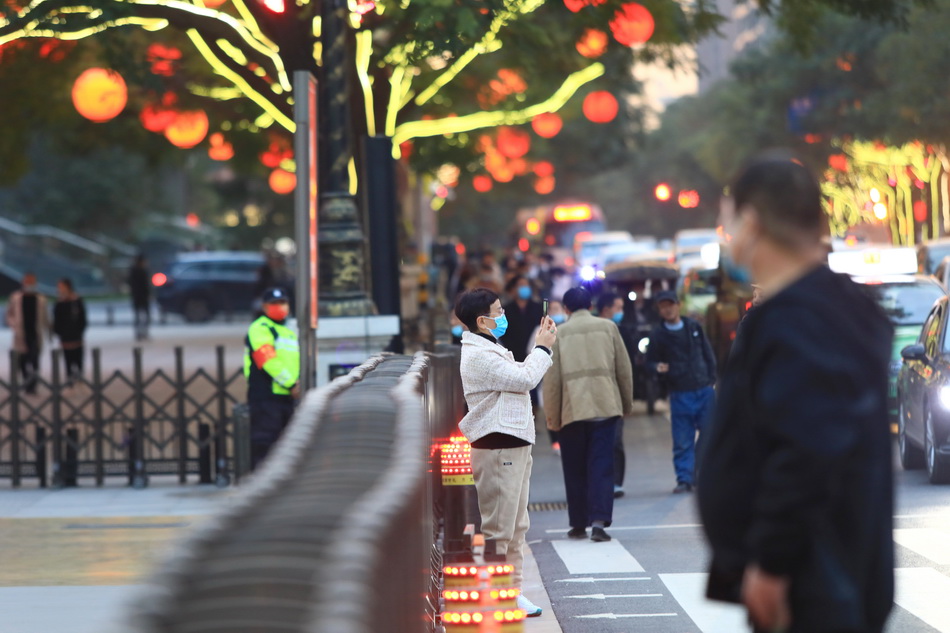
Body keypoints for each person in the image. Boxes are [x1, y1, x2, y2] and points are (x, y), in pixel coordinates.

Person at [698, 154, 894, 633]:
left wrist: (771, 563)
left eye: (726, 220)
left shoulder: (799, 320)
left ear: (750, 221)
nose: (725, 235)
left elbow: (807, 447)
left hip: (813, 581)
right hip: (832, 570)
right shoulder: (834, 306)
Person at [455, 287, 557, 618]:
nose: (503, 317)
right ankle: (501, 597)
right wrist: (542, 346)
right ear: (481, 321)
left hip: (512, 443)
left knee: (517, 527)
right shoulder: (478, 355)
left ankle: (511, 594)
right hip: (497, 445)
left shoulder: (488, 346)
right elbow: (525, 378)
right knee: (500, 529)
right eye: (498, 313)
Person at [544, 287, 633, 542]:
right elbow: (623, 370)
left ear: (567, 309)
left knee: (574, 468)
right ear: (591, 305)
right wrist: (625, 405)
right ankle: (599, 523)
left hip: (572, 410)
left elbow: (552, 381)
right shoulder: (608, 328)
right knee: (602, 466)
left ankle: (578, 523)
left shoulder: (558, 334)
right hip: (605, 408)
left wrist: (552, 418)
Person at [646, 289, 717, 494]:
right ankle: (684, 479)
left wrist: (711, 377)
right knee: (682, 439)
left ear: (678, 305)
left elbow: (707, 353)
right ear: (659, 310)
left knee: (711, 435)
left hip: (704, 390)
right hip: (680, 393)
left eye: (670, 304)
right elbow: (650, 362)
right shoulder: (658, 335)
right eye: (663, 306)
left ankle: (703, 473)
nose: (667, 309)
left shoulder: (694, 326)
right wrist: (657, 367)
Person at [244, 287, 300, 469]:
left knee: (289, 446)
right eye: (274, 303)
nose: (279, 307)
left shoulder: (289, 330)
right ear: (264, 306)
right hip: (266, 396)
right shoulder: (260, 328)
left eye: (282, 303)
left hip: (288, 397)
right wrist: (291, 384)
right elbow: (268, 360)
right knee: (265, 445)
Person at [595, 291, 631, 498]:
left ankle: (616, 482)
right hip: (597, 394)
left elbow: (626, 368)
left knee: (615, 440)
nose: (621, 312)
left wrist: (627, 400)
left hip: (615, 394)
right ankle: (601, 481)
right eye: (618, 307)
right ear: (606, 309)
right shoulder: (595, 330)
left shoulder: (621, 330)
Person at [6, 272, 49, 394]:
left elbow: (45, 317)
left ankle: (33, 386)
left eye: (32, 281)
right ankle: (26, 384)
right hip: (21, 334)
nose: (29, 284)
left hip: (35, 334)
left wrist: (50, 331)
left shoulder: (41, 299)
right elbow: (9, 314)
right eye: (27, 281)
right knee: (22, 361)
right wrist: (13, 324)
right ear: (23, 282)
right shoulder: (16, 297)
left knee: (34, 361)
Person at [52, 278, 87, 388]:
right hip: (65, 336)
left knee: (78, 357)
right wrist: (59, 332)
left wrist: (80, 330)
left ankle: (80, 378)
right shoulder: (59, 303)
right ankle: (70, 381)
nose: (60, 289)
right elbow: (57, 320)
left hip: (77, 335)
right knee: (67, 359)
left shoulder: (77, 300)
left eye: (61, 286)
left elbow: (83, 318)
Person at [128, 254, 151, 341]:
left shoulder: (133, 271)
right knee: (143, 316)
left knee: (139, 316)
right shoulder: (141, 271)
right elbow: (145, 285)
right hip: (141, 297)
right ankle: (143, 333)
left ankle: (140, 333)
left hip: (137, 296)